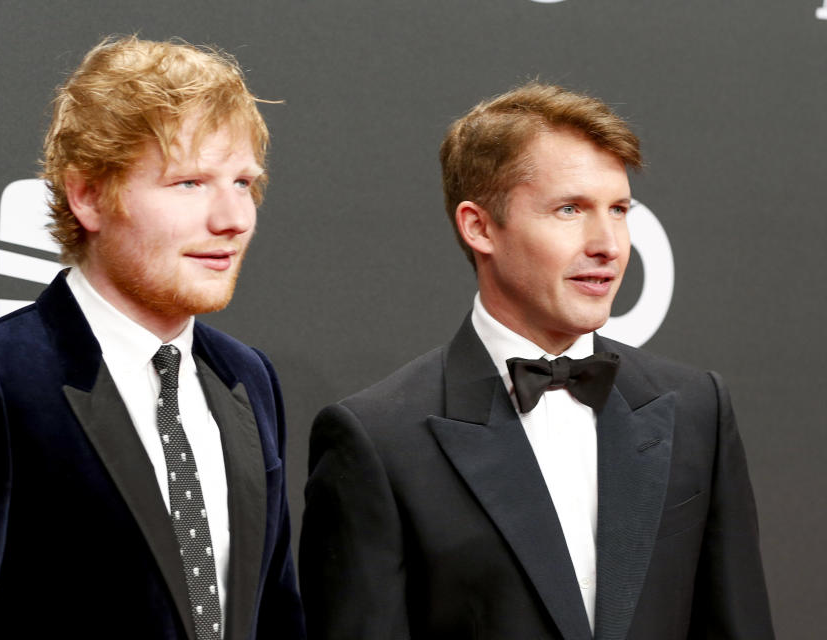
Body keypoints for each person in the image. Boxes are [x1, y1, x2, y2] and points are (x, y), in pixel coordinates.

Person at [0, 35, 305, 640]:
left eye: (243, 183)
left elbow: (277, 617)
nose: (232, 218)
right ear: (89, 195)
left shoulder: (246, 378)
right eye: (190, 183)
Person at [300, 82, 774, 639]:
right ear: (479, 226)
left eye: (619, 210)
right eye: (569, 209)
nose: (610, 245)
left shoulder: (697, 408)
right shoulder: (378, 440)